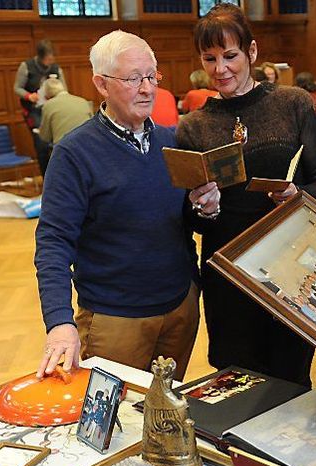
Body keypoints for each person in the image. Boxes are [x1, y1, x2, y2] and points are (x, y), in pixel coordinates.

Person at [177, 4, 316, 386]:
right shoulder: (193, 127)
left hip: (290, 268)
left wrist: (297, 194)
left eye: (230, 56)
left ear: (252, 52)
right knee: (236, 380)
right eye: (209, 58)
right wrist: (205, 209)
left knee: (292, 375)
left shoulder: (293, 103)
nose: (220, 69)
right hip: (228, 273)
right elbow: (191, 220)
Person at [35, 30, 199, 380]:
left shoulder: (173, 141)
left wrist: (206, 207)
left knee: (165, 416)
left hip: (179, 309)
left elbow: (182, 222)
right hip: (115, 321)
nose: (147, 88)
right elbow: (53, 241)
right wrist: (59, 321)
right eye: (133, 78)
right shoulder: (73, 153)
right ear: (102, 85)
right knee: (113, 427)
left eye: (152, 76)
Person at [14, 39, 65, 175]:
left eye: (52, 57)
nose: (51, 61)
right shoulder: (26, 66)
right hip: (33, 110)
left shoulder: (56, 68)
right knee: (41, 143)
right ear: (41, 57)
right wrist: (29, 96)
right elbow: (17, 88)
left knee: (59, 142)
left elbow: (64, 89)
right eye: (48, 58)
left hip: (52, 109)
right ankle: (46, 177)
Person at [38, 78, 94, 146]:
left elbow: (45, 137)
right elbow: (94, 125)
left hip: (65, 149)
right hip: (89, 145)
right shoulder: (83, 101)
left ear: (47, 93)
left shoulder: (48, 105)